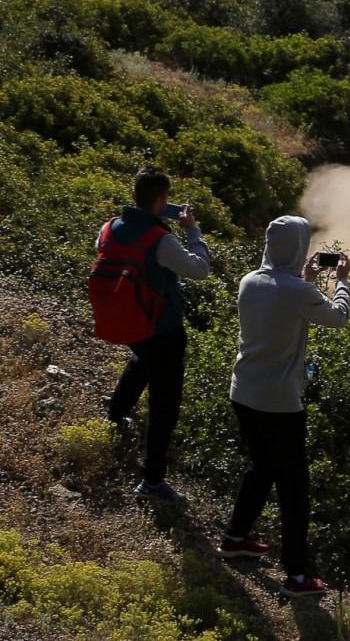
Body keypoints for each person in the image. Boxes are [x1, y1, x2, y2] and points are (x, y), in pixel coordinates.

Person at [218, 216, 350, 598]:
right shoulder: (298, 292)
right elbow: (339, 317)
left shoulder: (249, 281)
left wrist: (305, 278)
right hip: (279, 404)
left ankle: (234, 539)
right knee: (294, 490)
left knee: (261, 468)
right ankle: (296, 576)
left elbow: (280, 308)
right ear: (298, 247)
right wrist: (342, 281)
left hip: (243, 393)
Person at [102, 167, 210, 502]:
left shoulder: (109, 227)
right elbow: (200, 269)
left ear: (133, 196)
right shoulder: (161, 240)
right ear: (163, 200)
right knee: (164, 405)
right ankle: (151, 482)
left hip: (128, 321)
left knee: (142, 360)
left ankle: (116, 413)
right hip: (162, 327)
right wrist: (192, 230)